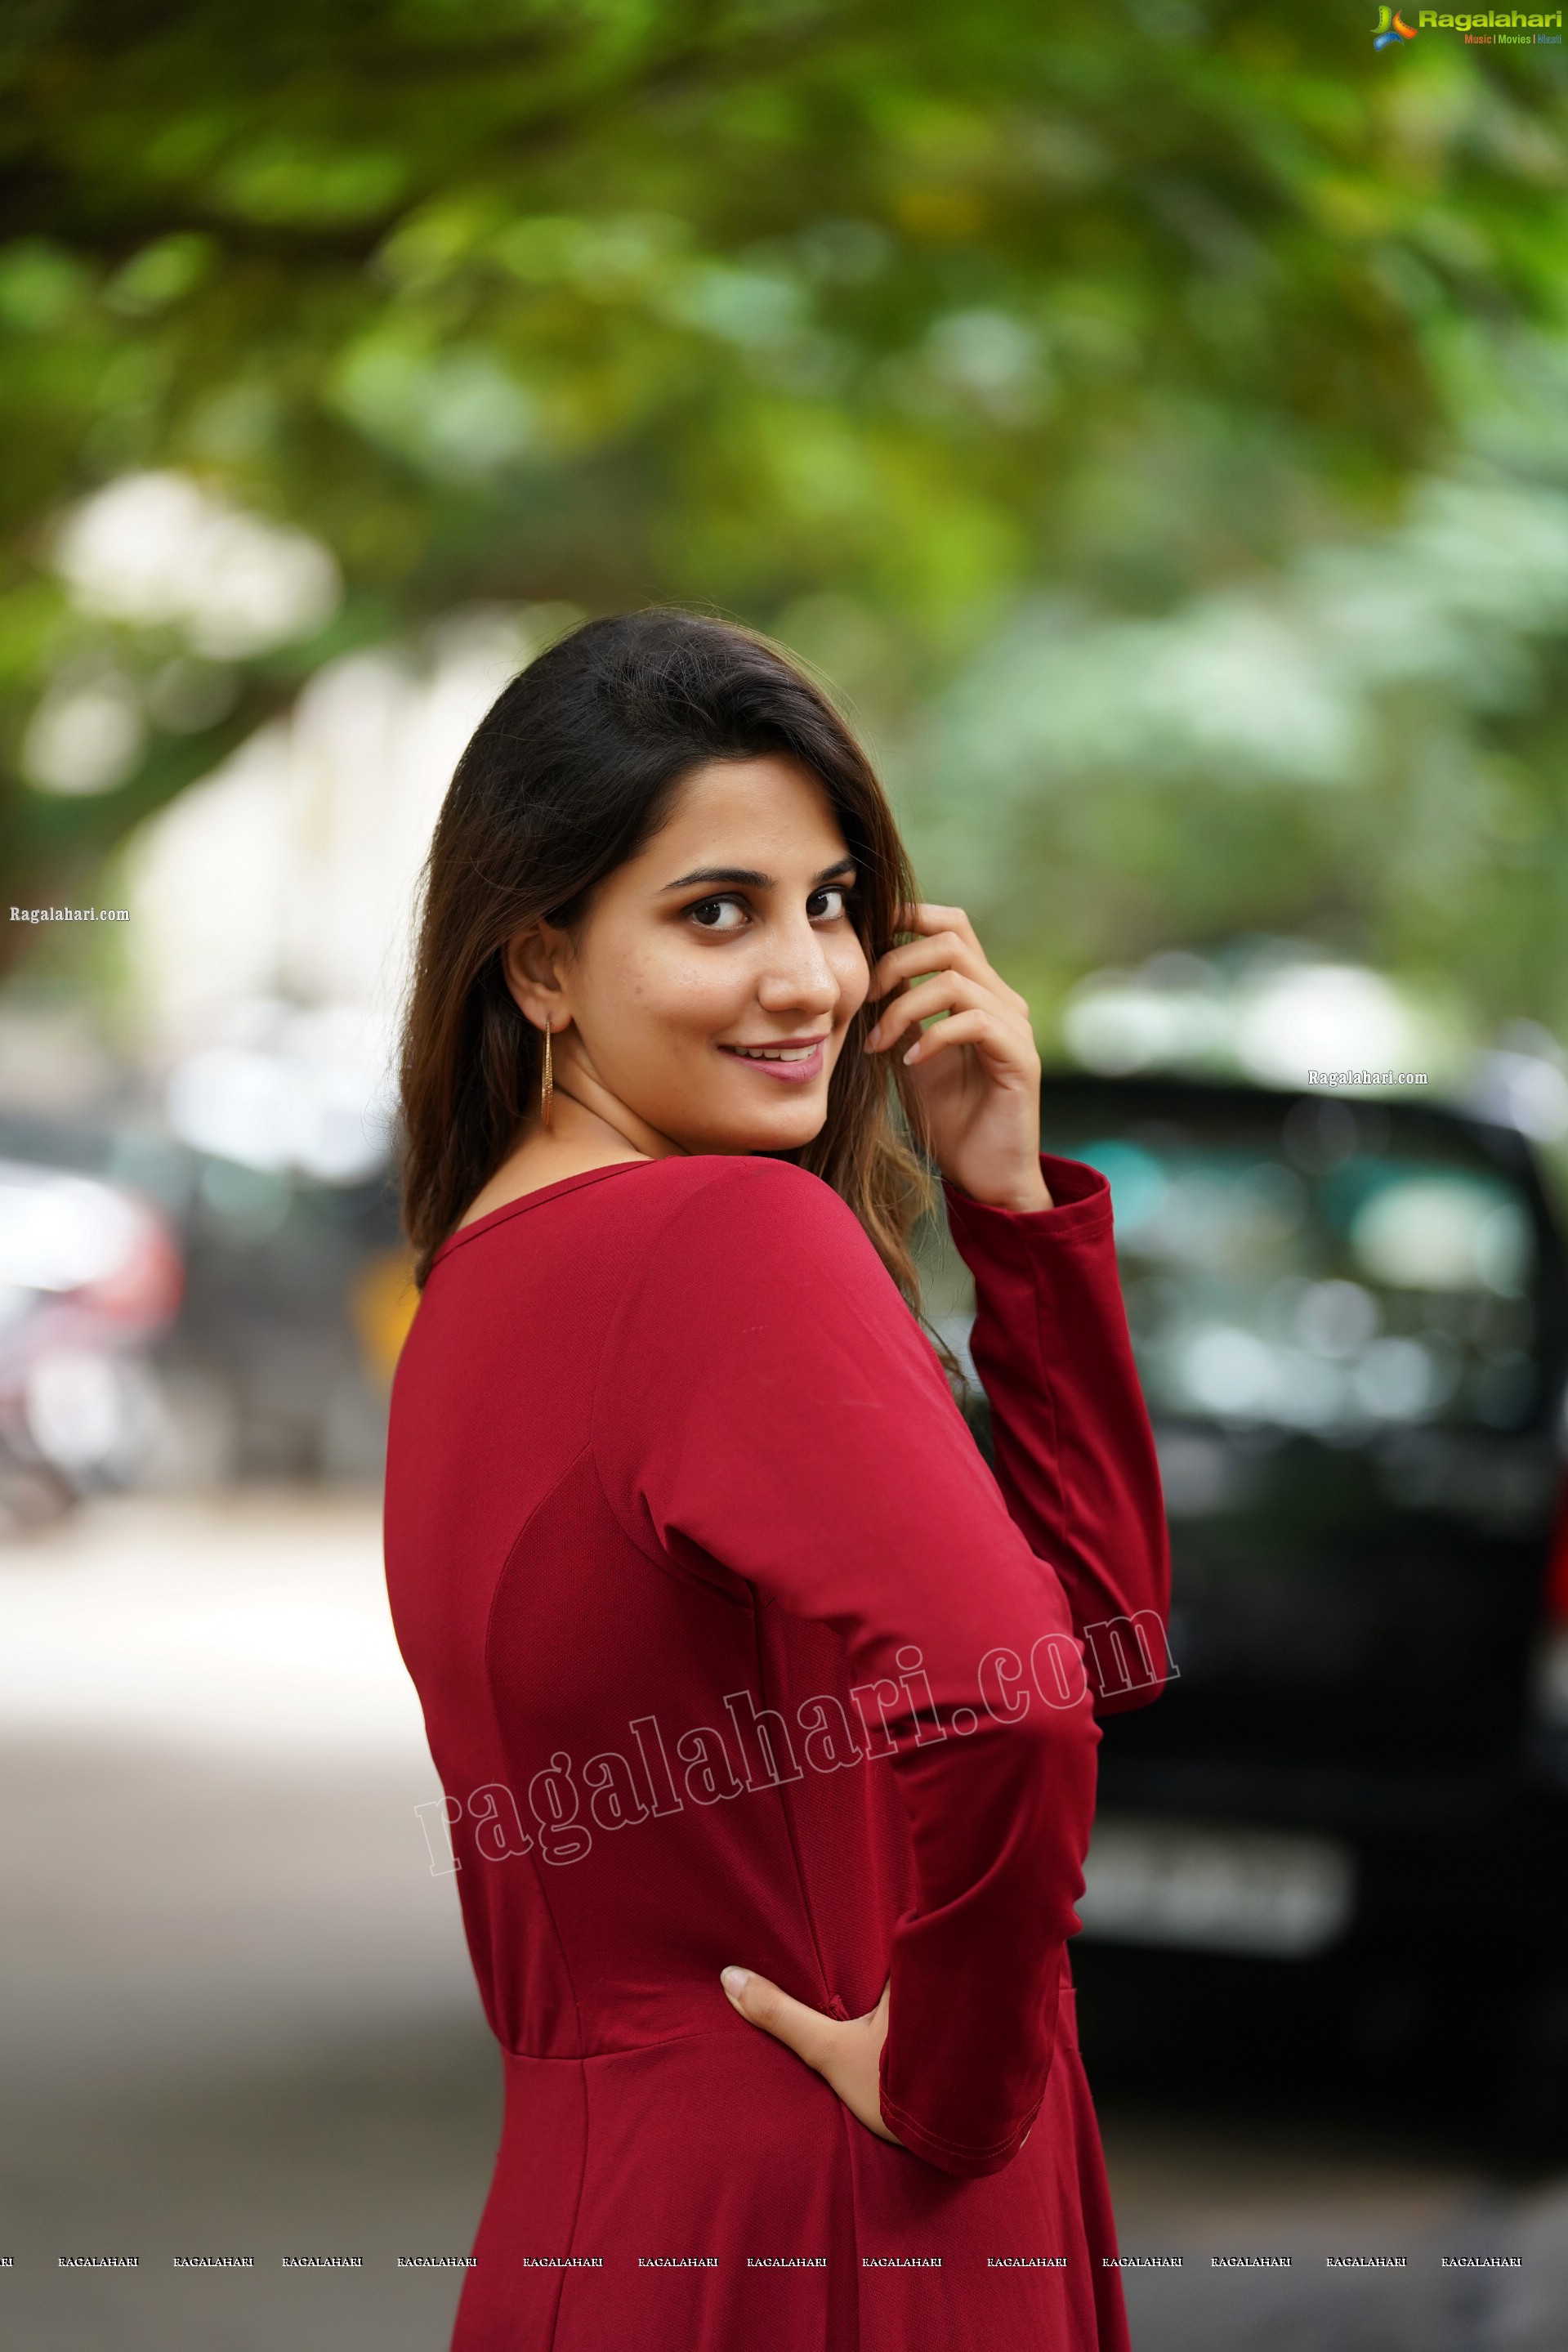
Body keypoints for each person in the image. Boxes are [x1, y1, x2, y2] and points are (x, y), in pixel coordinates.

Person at [385, 608, 1171, 2352]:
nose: (811, 977)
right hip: (839, 2219)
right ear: (538, 964)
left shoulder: (472, 1290)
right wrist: (962, 2074)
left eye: (830, 901)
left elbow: (1094, 1637)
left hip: (597, 2223)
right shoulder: (728, 1237)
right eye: (713, 911)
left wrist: (1014, 1214)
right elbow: (1036, 1703)